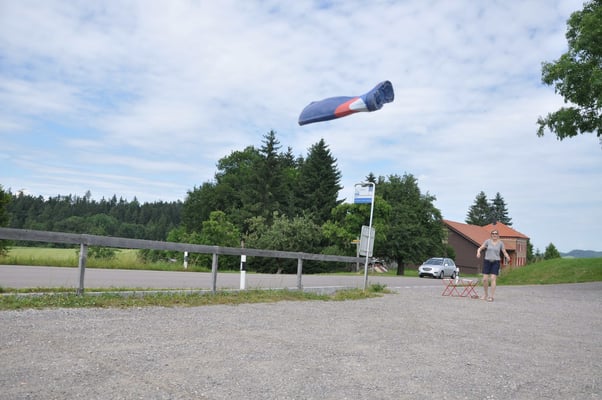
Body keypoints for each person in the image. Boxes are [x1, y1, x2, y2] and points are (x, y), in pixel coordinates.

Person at [476, 229, 510, 302]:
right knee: (485, 279)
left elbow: (504, 251)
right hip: (487, 261)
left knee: (493, 278)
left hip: (496, 262)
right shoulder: (487, 241)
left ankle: (491, 297)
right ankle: (485, 295)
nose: (494, 235)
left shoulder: (500, 243)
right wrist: (478, 252)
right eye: (493, 234)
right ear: (491, 235)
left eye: (496, 234)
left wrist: (507, 256)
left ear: (498, 235)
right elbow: (480, 248)